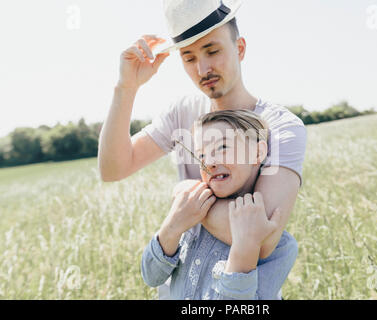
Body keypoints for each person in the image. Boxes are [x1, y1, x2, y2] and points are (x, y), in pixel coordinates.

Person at [98, 0, 307, 298]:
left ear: (240, 48)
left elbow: (261, 240)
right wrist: (126, 88)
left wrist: (186, 197)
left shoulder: (281, 126)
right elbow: (112, 169)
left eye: (212, 51)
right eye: (188, 57)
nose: (202, 68)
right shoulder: (182, 111)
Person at [141, 110, 298, 299]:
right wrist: (172, 227)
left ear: (258, 152)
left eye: (223, 147)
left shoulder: (280, 246)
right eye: (201, 155)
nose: (210, 163)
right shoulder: (190, 215)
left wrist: (245, 248)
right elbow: (151, 276)